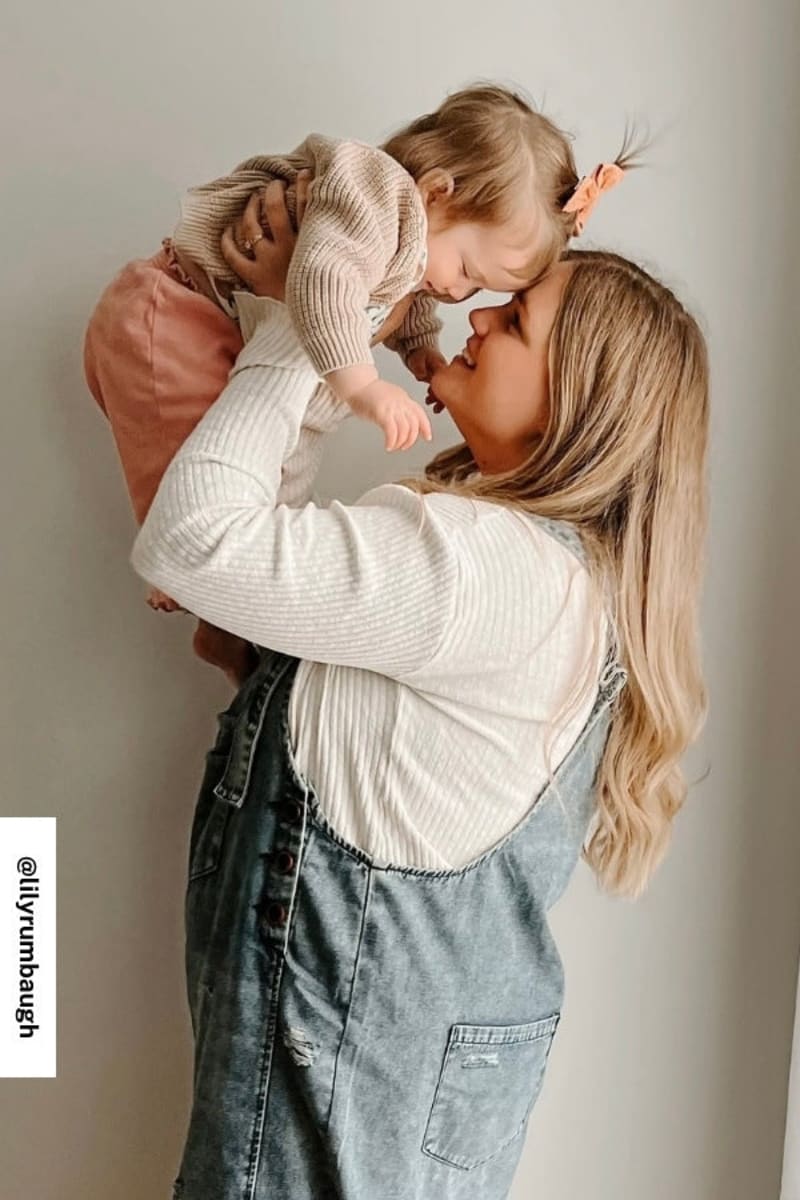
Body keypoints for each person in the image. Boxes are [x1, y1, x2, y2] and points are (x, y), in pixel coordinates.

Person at [130, 188, 709, 1199]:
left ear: (574, 400)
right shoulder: (551, 580)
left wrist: (301, 323)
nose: (476, 317)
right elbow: (270, 586)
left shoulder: (485, 567)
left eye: (515, 320)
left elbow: (193, 543)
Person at [83, 83, 625, 685]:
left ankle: (230, 615)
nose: (460, 296)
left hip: (237, 332)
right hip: (174, 308)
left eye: (481, 291)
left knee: (283, 474)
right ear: (436, 192)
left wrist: (419, 349)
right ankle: (196, 588)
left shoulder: (418, 245)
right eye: (468, 271)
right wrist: (363, 387)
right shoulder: (373, 195)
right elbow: (324, 279)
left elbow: (404, 301)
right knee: (185, 447)